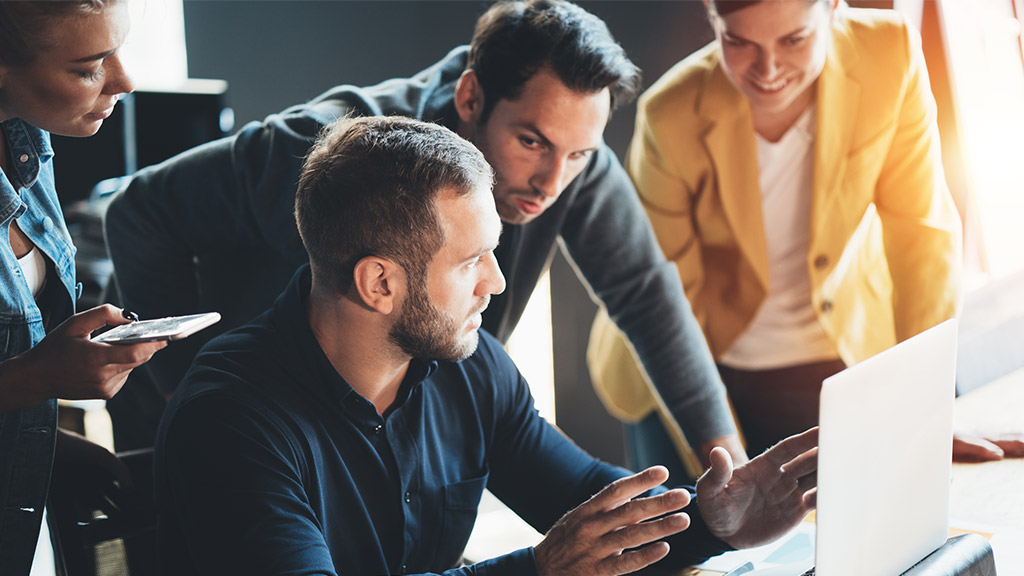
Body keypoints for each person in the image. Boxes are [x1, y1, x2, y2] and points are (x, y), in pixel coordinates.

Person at [154, 114, 818, 576]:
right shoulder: (230, 420)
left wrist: (712, 519)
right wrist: (538, 570)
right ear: (379, 282)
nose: (496, 284)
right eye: (472, 261)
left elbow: (587, 502)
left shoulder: (469, 371)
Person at [105, 0, 747, 470]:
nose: (555, 180)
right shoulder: (325, 151)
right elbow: (137, 211)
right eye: (532, 142)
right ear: (470, 97)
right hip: (242, 435)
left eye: (579, 154)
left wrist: (730, 467)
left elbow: (646, 297)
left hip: (386, 442)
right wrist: (194, 387)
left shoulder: (569, 162)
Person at [588, 0, 1024, 465]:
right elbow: (667, 295)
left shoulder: (888, 53)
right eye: (739, 42)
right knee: (695, 526)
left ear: (833, 10)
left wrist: (926, 407)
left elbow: (921, 235)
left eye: (794, 39)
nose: (768, 69)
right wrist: (719, 451)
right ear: (713, 21)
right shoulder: (671, 113)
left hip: (838, 356)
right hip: (696, 366)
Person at [0, 1, 166, 573]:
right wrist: (34, 379)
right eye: (90, 66)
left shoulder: (24, 142)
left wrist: (49, 449)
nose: (125, 80)